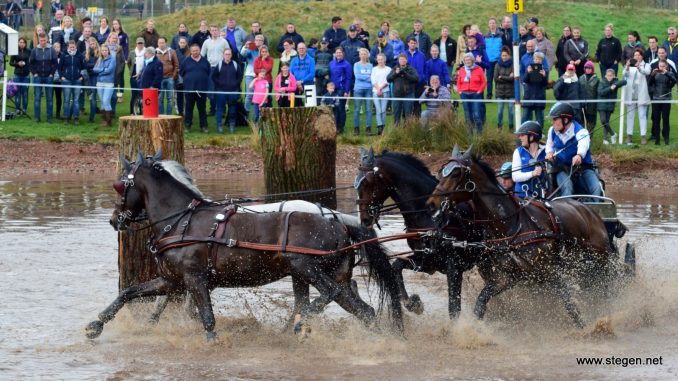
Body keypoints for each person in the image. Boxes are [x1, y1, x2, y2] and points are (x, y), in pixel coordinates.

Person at [545, 102, 602, 198]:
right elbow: (549, 145)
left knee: (596, 189)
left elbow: (583, 144)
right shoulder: (552, 131)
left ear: (565, 120)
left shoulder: (581, 132)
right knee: (567, 187)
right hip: (562, 169)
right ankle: (566, 211)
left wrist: (579, 155)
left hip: (582, 169)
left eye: (555, 119)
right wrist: (549, 152)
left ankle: (596, 209)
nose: (552, 122)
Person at [622, 48, 651, 145]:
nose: (637, 57)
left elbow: (646, 72)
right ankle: (629, 136)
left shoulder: (646, 65)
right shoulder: (629, 65)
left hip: (641, 93)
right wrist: (626, 66)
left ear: (642, 56)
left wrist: (639, 67)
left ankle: (643, 136)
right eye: (635, 55)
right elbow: (624, 74)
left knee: (642, 115)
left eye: (639, 55)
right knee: (630, 116)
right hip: (631, 93)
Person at [201, 25, 232, 116]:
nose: (214, 32)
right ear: (210, 31)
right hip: (211, 68)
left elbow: (228, 53)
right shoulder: (206, 42)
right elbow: (202, 55)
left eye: (216, 30)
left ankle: (222, 110)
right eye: (212, 30)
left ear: (218, 31)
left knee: (222, 89)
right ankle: (212, 109)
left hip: (222, 68)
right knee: (211, 89)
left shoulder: (224, 41)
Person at [512, 121, 547, 198]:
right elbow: (515, 176)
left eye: (522, 135)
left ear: (531, 137)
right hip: (522, 196)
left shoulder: (546, 151)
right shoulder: (518, 152)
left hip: (540, 197)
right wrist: (532, 173)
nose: (519, 138)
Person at [181, 44, 210, 133]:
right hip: (189, 89)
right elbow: (182, 73)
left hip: (201, 89)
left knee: (202, 109)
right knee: (189, 109)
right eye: (193, 51)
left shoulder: (205, 61)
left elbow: (208, 72)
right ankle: (187, 126)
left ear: (199, 50)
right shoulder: (186, 61)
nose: (195, 52)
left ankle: (204, 126)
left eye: (197, 50)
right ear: (190, 51)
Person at [213, 48, 243, 133]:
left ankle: (232, 125)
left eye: (229, 54)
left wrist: (235, 84)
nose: (227, 56)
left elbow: (240, 76)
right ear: (223, 55)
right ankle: (219, 125)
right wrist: (220, 84)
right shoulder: (219, 65)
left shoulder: (235, 64)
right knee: (220, 109)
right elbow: (214, 77)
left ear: (231, 55)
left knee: (232, 109)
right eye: (226, 54)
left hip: (233, 91)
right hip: (221, 92)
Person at [29, 33, 57, 123]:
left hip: (49, 77)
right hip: (38, 77)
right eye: (41, 40)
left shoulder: (52, 50)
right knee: (37, 98)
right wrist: (34, 73)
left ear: (47, 39)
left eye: (44, 40)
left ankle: (49, 118)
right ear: (38, 40)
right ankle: (37, 117)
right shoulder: (34, 50)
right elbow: (31, 63)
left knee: (49, 98)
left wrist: (52, 74)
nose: (43, 42)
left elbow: (55, 63)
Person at [457, 52, 486, 134]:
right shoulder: (462, 70)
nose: (468, 61)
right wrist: (460, 91)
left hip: (475, 94)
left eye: (469, 59)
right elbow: (458, 82)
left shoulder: (479, 69)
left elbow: (483, 82)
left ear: (472, 60)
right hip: (464, 94)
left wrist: (479, 91)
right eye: (466, 60)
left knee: (476, 115)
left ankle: (480, 135)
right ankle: (469, 135)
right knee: (467, 116)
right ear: (464, 61)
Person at [649, 60, 676, 145]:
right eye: (660, 66)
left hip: (666, 100)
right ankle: (657, 140)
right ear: (658, 66)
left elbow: (674, 81)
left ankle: (666, 139)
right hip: (656, 99)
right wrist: (652, 75)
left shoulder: (670, 74)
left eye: (663, 66)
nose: (662, 68)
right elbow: (649, 83)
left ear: (666, 66)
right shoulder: (655, 74)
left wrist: (666, 73)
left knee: (665, 119)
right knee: (656, 120)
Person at [387, 53, 418, 127]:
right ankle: (396, 131)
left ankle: (407, 132)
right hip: (397, 95)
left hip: (408, 94)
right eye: (400, 59)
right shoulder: (395, 68)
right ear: (398, 60)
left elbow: (416, 79)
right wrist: (395, 73)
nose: (402, 61)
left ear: (406, 60)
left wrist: (405, 73)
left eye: (404, 59)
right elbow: (388, 79)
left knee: (408, 114)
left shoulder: (411, 69)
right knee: (396, 114)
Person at [597, 69, 626, 145]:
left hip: (610, 105)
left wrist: (615, 85)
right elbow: (601, 92)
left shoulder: (615, 82)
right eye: (608, 75)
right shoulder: (602, 82)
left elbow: (624, 82)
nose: (609, 77)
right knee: (603, 121)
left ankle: (605, 139)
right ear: (605, 75)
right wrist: (610, 88)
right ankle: (613, 134)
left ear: (613, 76)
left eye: (611, 76)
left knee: (606, 121)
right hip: (601, 105)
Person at [59, 39, 84, 125]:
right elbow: (59, 67)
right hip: (66, 80)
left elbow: (83, 67)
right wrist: (61, 76)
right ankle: (66, 117)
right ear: (68, 47)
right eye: (70, 47)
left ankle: (76, 117)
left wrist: (81, 76)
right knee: (66, 100)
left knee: (76, 100)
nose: (72, 48)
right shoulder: (64, 55)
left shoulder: (80, 55)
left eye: (73, 47)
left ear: (76, 47)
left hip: (77, 80)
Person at [329, 47, 352, 133]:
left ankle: (340, 127)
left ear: (343, 53)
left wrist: (346, 91)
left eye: (340, 52)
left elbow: (349, 78)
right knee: (334, 108)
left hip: (341, 89)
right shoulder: (331, 63)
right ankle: (335, 126)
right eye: (337, 52)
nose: (338, 54)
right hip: (332, 89)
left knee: (340, 108)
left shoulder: (347, 64)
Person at [92, 44, 116, 127]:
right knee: (103, 101)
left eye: (106, 50)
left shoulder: (112, 59)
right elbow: (94, 69)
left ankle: (108, 120)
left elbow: (109, 70)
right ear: (100, 51)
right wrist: (103, 70)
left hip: (109, 83)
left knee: (106, 100)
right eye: (102, 50)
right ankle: (104, 120)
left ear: (108, 51)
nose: (104, 52)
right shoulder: (99, 59)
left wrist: (100, 71)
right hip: (99, 83)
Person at [522, 52, 548, 128]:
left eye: (539, 59)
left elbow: (545, 84)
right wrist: (527, 72)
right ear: (533, 59)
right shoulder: (529, 68)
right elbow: (525, 80)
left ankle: (540, 132)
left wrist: (544, 76)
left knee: (539, 117)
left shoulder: (545, 70)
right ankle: (523, 131)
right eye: (536, 59)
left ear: (542, 60)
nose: (537, 60)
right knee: (525, 116)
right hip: (529, 96)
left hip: (539, 96)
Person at [241, 34, 264, 119]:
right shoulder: (251, 47)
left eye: (259, 40)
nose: (257, 41)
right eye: (256, 40)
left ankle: (260, 115)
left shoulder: (264, 49)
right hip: (250, 74)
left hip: (261, 75)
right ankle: (245, 114)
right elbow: (243, 54)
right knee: (249, 95)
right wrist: (245, 46)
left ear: (262, 41)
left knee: (261, 95)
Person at [155, 37, 178, 115]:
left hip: (169, 78)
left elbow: (176, 65)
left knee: (170, 99)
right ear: (157, 43)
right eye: (159, 43)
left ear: (166, 43)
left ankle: (169, 116)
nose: (161, 44)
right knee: (159, 98)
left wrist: (173, 76)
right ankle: (161, 116)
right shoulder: (155, 52)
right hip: (159, 79)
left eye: (163, 42)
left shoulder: (172, 52)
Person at [352, 48, 373, 135]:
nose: (363, 56)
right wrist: (367, 77)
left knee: (368, 109)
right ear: (359, 55)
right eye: (362, 54)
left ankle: (368, 128)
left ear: (367, 55)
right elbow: (357, 76)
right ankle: (356, 128)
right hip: (358, 89)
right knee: (357, 109)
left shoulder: (370, 65)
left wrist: (366, 77)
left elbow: (372, 77)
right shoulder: (356, 65)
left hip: (369, 89)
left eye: (365, 54)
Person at [494, 47, 514, 131]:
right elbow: (495, 78)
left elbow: (513, 79)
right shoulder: (497, 65)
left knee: (510, 110)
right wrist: (508, 77)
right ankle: (499, 127)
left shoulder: (513, 64)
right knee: (500, 111)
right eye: (503, 55)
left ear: (509, 55)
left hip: (510, 91)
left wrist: (501, 77)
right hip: (500, 91)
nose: (504, 57)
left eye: (506, 55)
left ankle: (511, 127)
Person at [371, 53, 391, 135]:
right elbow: (373, 80)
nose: (380, 61)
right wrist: (378, 89)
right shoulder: (374, 69)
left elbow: (388, 81)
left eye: (381, 59)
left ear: (384, 60)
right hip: (375, 91)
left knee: (383, 110)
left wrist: (381, 88)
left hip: (385, 91)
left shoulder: (388, 69)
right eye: (378, 59)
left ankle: (383, 127)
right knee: (378, 110)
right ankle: (379, 127)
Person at [10, 37, 31, 116]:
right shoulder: (14, 51)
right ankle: (17, 109)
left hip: (26, 75)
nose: (21, 44)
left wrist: (28, 67)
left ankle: (24, 109)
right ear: (18, 43)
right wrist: (17, 64)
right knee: (17, 92)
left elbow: (31, 62)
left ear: (25, 43)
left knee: (25, 93)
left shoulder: (29, 51)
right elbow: (11, 63)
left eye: (23, 42)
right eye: (20, 42)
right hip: (17, 75)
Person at [405, 37, 426, 116]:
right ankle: (407, 122)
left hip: (419, 83)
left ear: (416, 44)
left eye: (414, 43)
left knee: (417, 102)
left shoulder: (421, 55)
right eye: (411, 43)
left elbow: (424, 68)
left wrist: (423, 78)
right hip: (407, 83)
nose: (413, 44)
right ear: (408, 44)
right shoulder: (404, 54)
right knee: (408, 102)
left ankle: (417, 122)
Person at [484, 18, 503, 99]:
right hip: (489, 61)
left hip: (498, 60)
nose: (492, 24)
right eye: (490, 23)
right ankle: (489, 95)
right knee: (489, 79)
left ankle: (498, 95)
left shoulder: (501, 35)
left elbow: (503, 47)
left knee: (498, 79)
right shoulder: (485, 36)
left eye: (493, 23)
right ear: (488, 25)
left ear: (496, 24)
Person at [127, 37, 145, 114]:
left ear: (143, 44)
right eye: (139, 43)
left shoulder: (146, 52)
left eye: (141, 43)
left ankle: (143, 111)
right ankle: (132, 111)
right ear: (136, 44)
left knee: (143, 94)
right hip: (133, 77)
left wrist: (140, 73)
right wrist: (132, 71)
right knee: (134, 94)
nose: (140, 45)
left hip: (144, 77)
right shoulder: (132, 52)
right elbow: (129, 62)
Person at [83, 37, 99, 123]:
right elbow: (84, 65)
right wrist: (91, 66)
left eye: (93, 43)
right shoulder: (85, 53)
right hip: (86, 77)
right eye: (90, 44)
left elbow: (98, 65)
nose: (92, 45)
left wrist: (90, 65)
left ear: (96, 44)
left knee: (93, 96)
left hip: (95, 77)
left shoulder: (99, 53)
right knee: (88, 96)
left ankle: (91, 118)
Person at [580, 61, 599, 132]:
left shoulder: (597, 79)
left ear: (592, 69)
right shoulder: (581, 78)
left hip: (592, 105)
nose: (588, 69)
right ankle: (582, 136)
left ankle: (589, 137)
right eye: (586, 68)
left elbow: (598, 93)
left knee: (591, 121)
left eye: (589, 68)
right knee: (582, 121)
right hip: (582, 104)